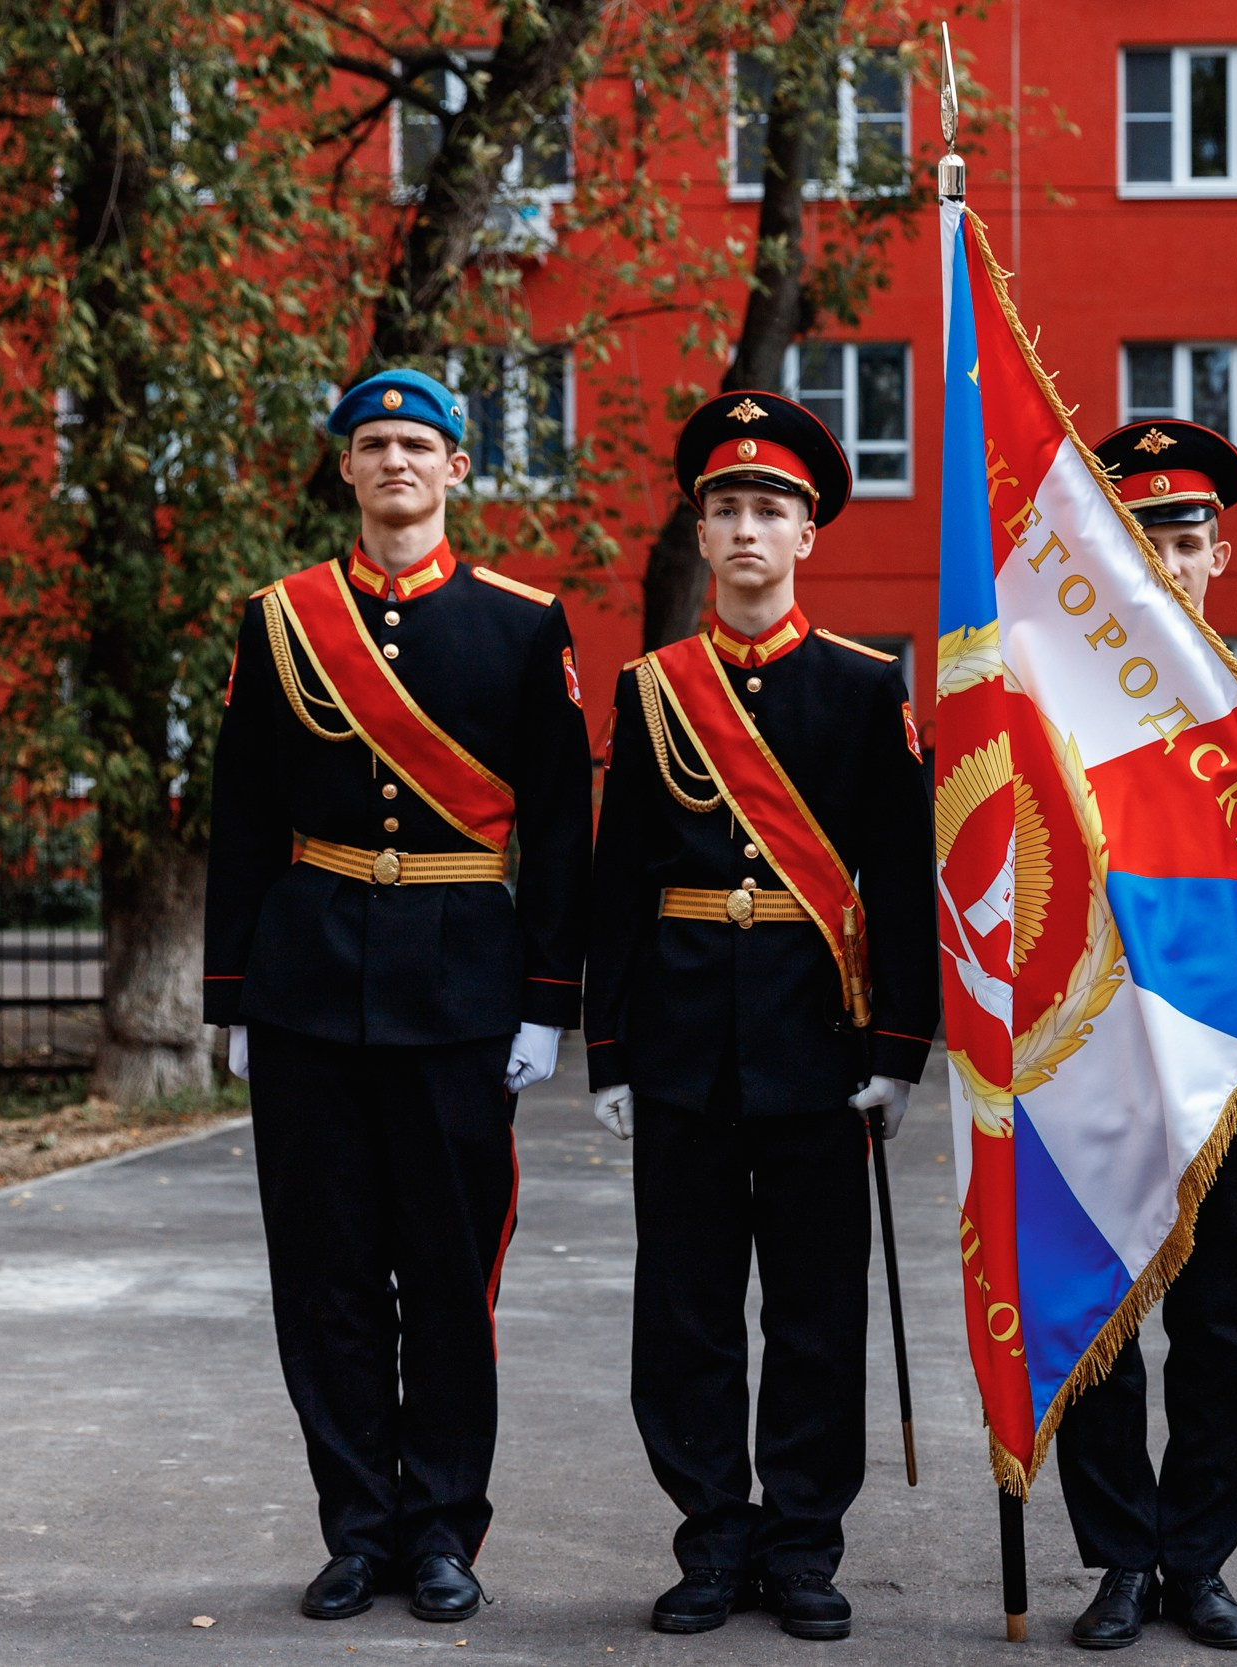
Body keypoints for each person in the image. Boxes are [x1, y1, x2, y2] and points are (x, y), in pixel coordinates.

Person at [202, 369, 592, 1624]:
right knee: (324, 1277)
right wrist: (235, 997)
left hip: (461, 988)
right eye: (374, 444)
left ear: (459, 468)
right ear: (346, 468)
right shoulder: (280, 620)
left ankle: (442, 1529)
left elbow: (561, 827)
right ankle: (356, 1527)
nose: (395, 463)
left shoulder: (523, 626)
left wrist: (545, 997)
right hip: (311, 981)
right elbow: (244, 814)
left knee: (445, 1273)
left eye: (418, 444)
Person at [582, 390, 938, 1644]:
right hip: (681, 1038)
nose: (747, 528)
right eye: (727, 507)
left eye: (770, 510)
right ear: (701, 529)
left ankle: (800, 1542)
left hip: (813, 1041)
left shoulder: (861, 686)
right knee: (681, 1308)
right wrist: (608, 1048)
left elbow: (901, 877)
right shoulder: (649, 690)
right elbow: (617, 874)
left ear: (806, 537)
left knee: (812, 1309)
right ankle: (708, 1536)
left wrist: (899, 1049)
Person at [1044, 419, 1237, 1652]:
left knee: (1217, 1322)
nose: (1167, 554)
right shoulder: (1049, 700)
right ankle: (1116, 1557)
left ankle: (1199, 1558)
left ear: (1221, 551)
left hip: (1221, 1060)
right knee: (1100, 1314)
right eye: (1141, 534)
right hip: (1088, 1057)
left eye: (1185, 533)